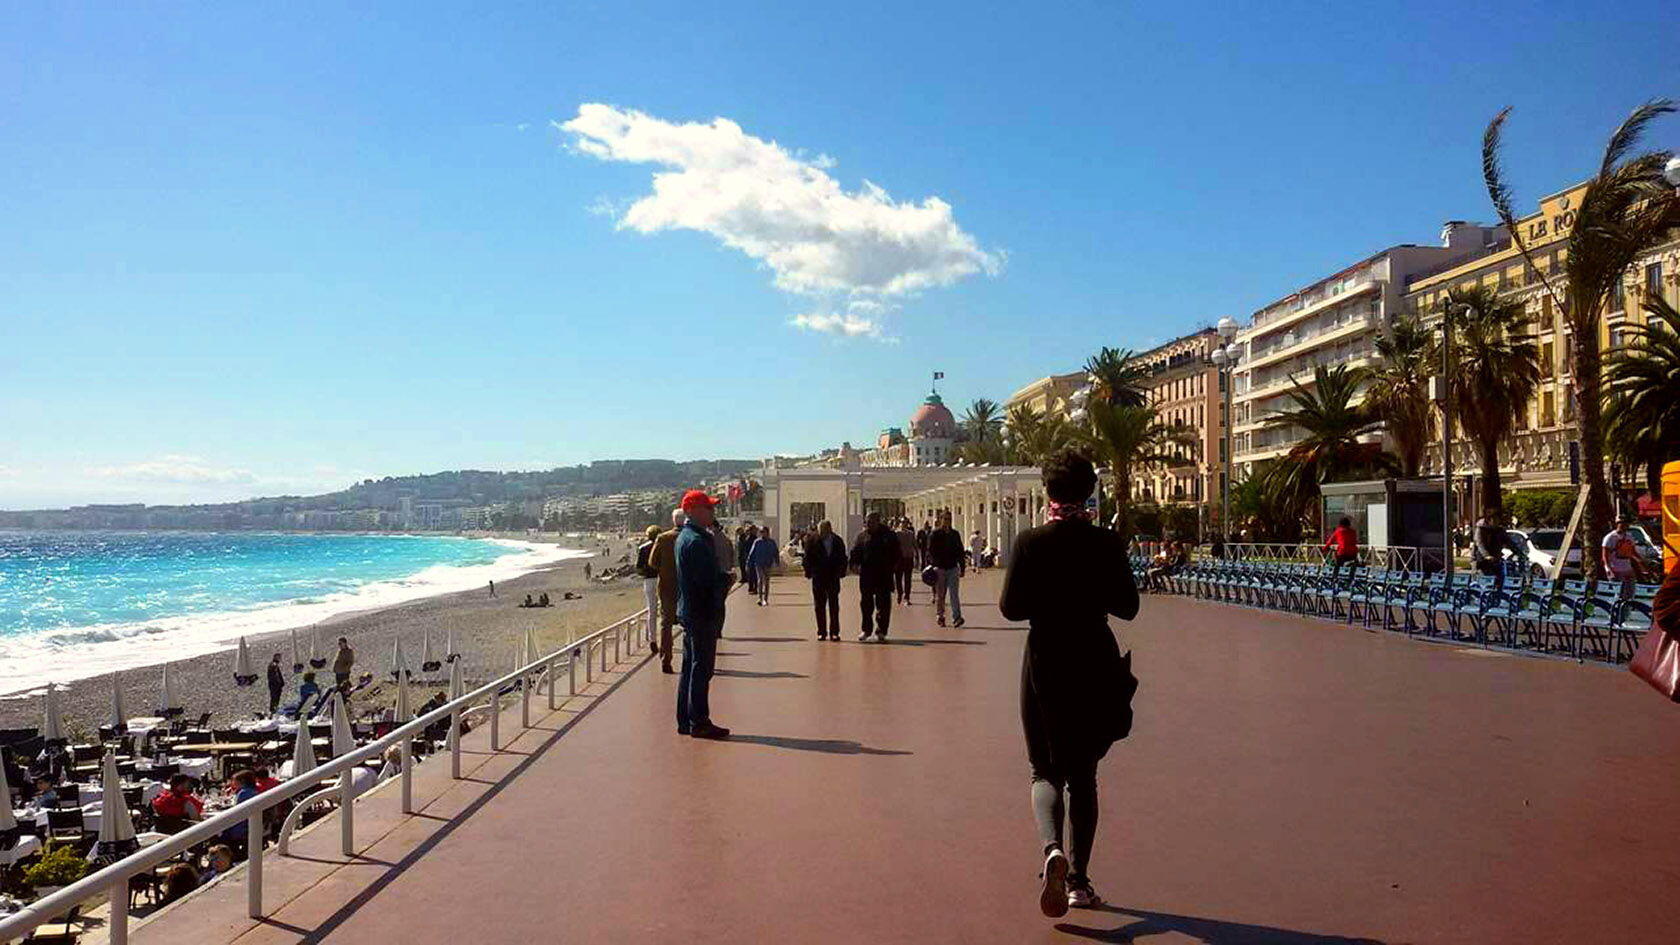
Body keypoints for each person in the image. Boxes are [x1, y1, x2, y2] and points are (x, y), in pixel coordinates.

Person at [999, 450, 1139, 917]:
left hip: (1044, 660)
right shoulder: (1106, 543)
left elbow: (1011, 609)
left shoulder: (1030, 542)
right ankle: (1079, 881)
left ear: (1048, 491)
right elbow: (1128, 607)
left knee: (1044, 769)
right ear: (1089, 491)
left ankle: (1051, 849)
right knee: (1084, 775)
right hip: (1093, 659)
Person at [675, 490, 730, 739]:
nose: (712, 512)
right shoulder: (696, 541)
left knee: (690, 667)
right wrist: (725, 581)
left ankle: (685, 719)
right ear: (694, 511)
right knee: (701, 668)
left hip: (691, 610)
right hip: (701, 612)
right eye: (708, 508)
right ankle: (699, 720)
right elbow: (705, 581)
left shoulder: (686, 537)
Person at [850, 511, 903, 642]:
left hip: (884, 574)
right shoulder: (862, 536)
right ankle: (866, 630)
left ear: (878, 522)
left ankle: (881, 630)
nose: (868, 524)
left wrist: (894, 567)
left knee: (883, 604)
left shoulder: (889, 536)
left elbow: (897, 553)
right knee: (866, 604)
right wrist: (853, 564)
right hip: (867, 574)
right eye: (866, 522)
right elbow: (855, 551)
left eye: (870, 522)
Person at [647, 509, 686, 674]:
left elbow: (652, 562)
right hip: (687, 587)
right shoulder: (692, 537)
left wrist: (665, 568)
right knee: (690, 624)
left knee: (666, 624)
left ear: (673, 520)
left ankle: (666, 659)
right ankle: (690, 658)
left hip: (667, 586)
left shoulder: (663, 538)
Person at [803, 520, 849, 640]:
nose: (821, 532)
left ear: (829, 529)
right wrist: (808, 572)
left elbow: (843, 557)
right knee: (819, 605)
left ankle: (835, 632)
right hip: (818, 577)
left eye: (823, 529)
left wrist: (842, 571)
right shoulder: (812, 540)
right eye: (819, 529)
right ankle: (821, 632)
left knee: (834, 605)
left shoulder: (837, 541)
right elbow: (807, 557)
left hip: (833, 576)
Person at [927, 511, 966, 628]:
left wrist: (962, 567)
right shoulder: (935, 534)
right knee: (941, 595)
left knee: (954, 594)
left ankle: (957, 617)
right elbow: (930, 551)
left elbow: (960, 551)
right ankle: (940, 615)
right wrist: (933, 565)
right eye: (946, 519)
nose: (948, 521)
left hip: (953, 568)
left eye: (949, 519)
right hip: (940, 569)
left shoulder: (955, 534)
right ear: (941, 520)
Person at [1602, 516, 1644, 597]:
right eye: (1621, 523)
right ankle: (1617, 607)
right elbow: (1605, 555)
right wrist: (1608, 568)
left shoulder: (1629, 537)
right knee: (1619, 594)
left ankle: (1627, 607)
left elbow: (1632, 552)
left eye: (1625, 524)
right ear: (1617, 524)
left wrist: (1641, 562)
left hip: (1627, 569)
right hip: (1615, 569)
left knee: (1630, 592)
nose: (1624, 525)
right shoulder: (1610, 537)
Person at [636, 524, 661, 646]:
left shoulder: (643, 548)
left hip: (649, 580)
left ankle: (652, 639)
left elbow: (639, 568)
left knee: (651, 609)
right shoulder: (663, 546)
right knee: (665, 608)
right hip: (662, 578)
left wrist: (645, 572)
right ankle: (666, 636)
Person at [1472, 513, 1514, 580]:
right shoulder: (1481, 529)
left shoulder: (1499, 530)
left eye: (1498, 520)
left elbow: (1509, 542)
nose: (1497, 522)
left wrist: (1518, 552)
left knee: (1501, 577)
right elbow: (1480, 544)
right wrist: (1486, 555)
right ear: (1489, 521)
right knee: (1484, 580)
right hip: (1481, 561)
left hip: (1495, 560)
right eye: (1494, 520)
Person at [748, 527, 780, 606]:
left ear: (767, 533)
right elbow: (752, 553)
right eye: (761, 532)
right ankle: (760, 598)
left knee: (767, 581)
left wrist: (777, 562)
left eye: (764, 532)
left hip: (768, 563)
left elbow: (775, 552)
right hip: (759, 563)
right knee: (760, 580)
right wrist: (749, 562)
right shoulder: (757, 542)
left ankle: (765, 599)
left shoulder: (771, 542)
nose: (762, 533)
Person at [1323, 516, 1360, 581]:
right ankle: (1351, 578)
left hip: (1342, 552)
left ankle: (1336, 578)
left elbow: (1330, 541)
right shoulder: (1353, 531)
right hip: (1353, 553)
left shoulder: (1338, 531)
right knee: (1353, 567)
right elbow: (1355, 541)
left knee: (1338, 566)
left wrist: (1324, 548)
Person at [894, 518, 918, 604]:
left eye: (906, 522)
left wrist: (916, 557)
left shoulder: (911, 534)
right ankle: (900, 592)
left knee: (908, 578)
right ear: (900, 523)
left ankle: (907, 596)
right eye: (902, 522)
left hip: (908, 558)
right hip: (899, 559)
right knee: (898, 578)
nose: (904, 524)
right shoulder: (896, 533)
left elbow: (915, 545)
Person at [737, 525, 758, 596]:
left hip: (751, 559)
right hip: (750, 559)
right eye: (755, 530)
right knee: (752, 574)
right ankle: (752, 587)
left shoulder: (752, 538)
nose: (756, 531)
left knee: (753, 574)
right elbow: (746, 549)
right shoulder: (750, 539)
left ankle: (753, 587)